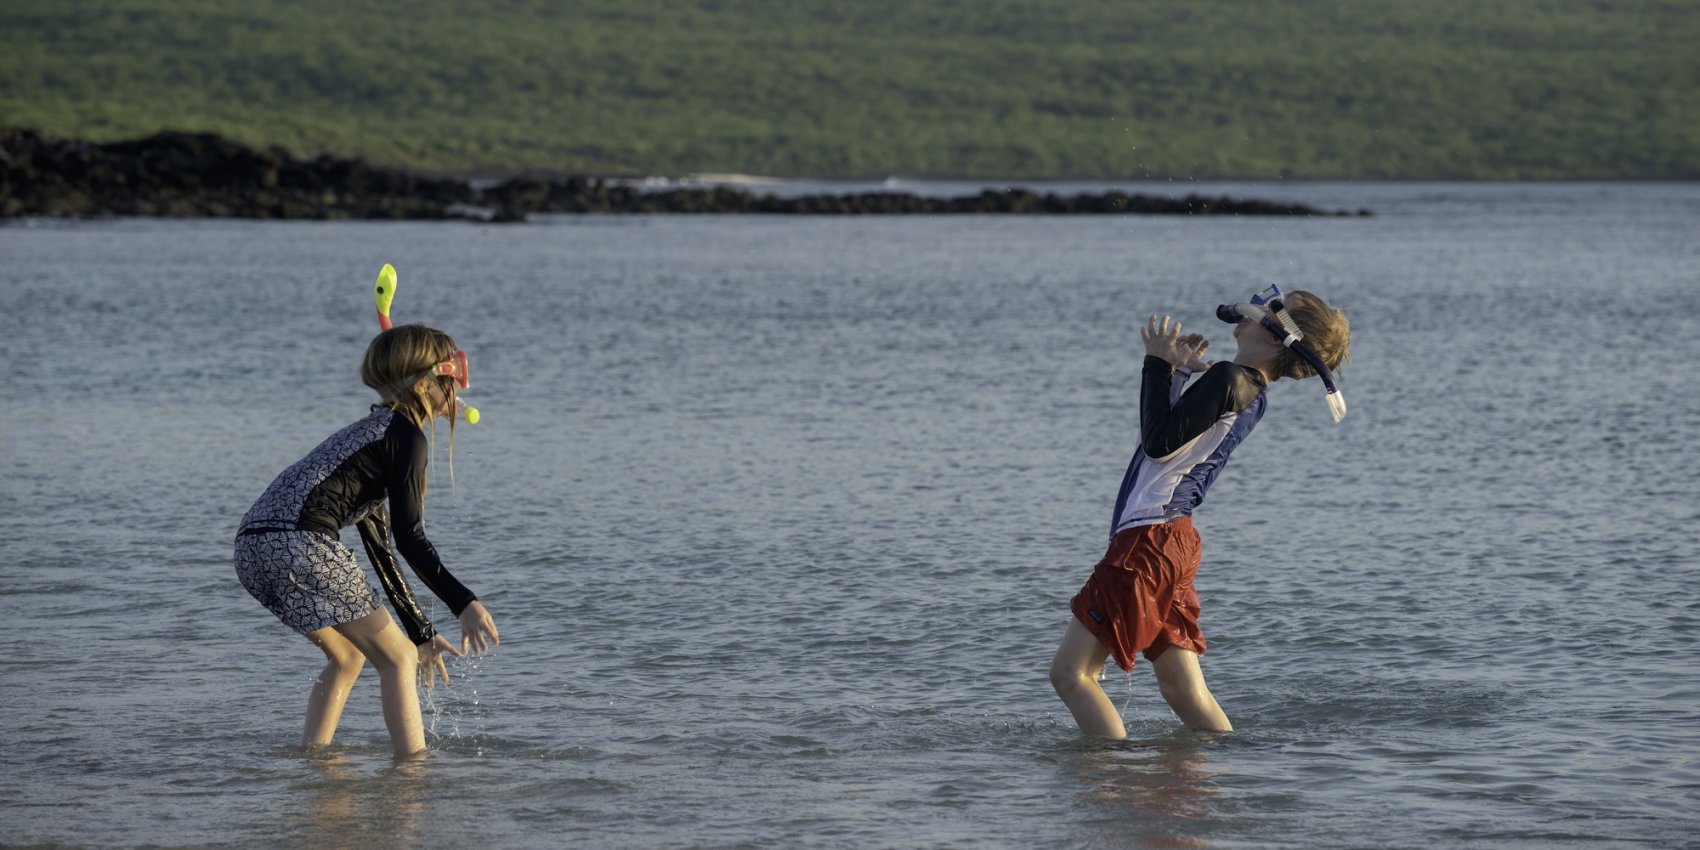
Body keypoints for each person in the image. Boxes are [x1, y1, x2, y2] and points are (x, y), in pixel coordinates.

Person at [1049, 286, 1350, 737]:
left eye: (1274, 308)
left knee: (1072, 675)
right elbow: (1174, 446)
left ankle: (1107, 790)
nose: (1255, 307)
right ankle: (1219, 776)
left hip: (1148, 542)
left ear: (1276, 339)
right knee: (1182, 690)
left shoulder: (1230, 378)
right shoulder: (1248, 389)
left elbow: (1157, 442)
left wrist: (1156, 362)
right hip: (1172, 542)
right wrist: (1177, 377)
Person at [234, 323, 500, 757]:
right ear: (422, 384)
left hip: (251, 549)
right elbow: (410, 538)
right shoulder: (405, 439)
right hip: (299, 544)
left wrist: (419, 630)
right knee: (397, 660)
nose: (455, 388)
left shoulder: (370, 436)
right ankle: (413, 773)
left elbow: (381, 546)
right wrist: (463, 603)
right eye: (449, 377)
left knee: (348, 658)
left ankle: (314, 763)